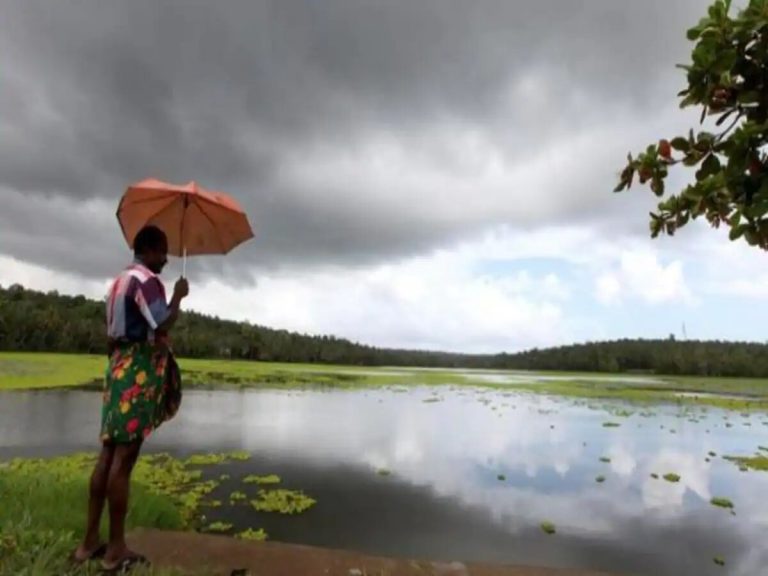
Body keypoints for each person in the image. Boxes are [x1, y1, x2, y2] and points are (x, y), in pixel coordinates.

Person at [73, 225, 189, 572]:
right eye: (163, 252)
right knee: (124, 459)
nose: (167, 260)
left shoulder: (118, 281)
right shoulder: (145, 281)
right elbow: (162, 322)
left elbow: (113, 334)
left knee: (108, 454)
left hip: (118, 367)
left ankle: (89, 542)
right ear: (150, 249)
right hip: (138, 373)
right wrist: (179, 297)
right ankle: (116, 549)